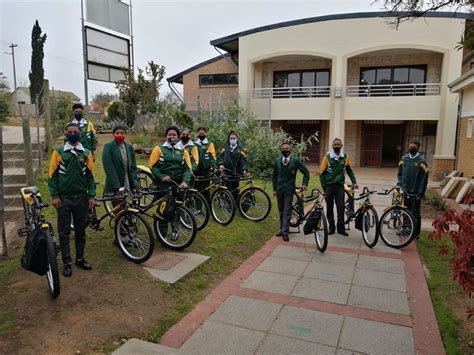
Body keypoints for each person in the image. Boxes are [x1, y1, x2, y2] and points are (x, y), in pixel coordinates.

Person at [48, 123, 96, 277]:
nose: (73, 134)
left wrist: (92, 195)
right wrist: (55, 196)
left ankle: (80, 258)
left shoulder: (86, 152)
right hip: (64, 199)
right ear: (65, 133)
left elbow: (90, 176)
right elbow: (52, 176)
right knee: (64, 231)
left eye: (75, 132)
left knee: (81, 230)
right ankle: (67, 261)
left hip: (81, 198)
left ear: (80, 133)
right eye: (70, 132)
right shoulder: (59, 152)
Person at [320, 138, 358, 236]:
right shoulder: (327, 157)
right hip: (329, 186)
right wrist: (324, 187)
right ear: (332, 146)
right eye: (335, 144)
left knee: (340, 207)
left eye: (338, 144)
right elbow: (322, 174)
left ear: (341, 145)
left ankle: (341, 228)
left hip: (340, 186)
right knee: (329, 207)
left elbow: (349, 170)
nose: (337, 146)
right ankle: (331, 227)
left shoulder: (345, 157)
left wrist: (354, 182)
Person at [272, 142, 310, 241]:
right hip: (279, 189)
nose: (285, 150)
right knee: (281, 210)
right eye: (283, 148)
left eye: (287, 148)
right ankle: (281, 229)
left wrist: (304, 184)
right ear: (281, 149)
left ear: (291, 150)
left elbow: (305, 172)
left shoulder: (295, 160)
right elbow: (274, 176)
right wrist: (274, 189)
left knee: (287, 210)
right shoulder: (276, 161)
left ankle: (285, 231)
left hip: (289, 189)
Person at [396, 141, 429, 239]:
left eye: (413, 146)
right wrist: (399, 184)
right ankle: (406, 230)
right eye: (410, 146)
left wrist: (420, 193)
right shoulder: (404, 159)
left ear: (418, 148)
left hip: (416, 193)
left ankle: (415, 233)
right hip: (406, 191)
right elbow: (400, 174)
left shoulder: (422, 162)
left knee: (415, 212)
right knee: (406, 210)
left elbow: (424, 179)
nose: (411, 148)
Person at [102, 124, 138, 199]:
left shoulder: (129, 147)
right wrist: (116, 185)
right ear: (113, 134)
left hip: (128, 179)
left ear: (125, 134)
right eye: (117, 133)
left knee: (129, 203)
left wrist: (134, 181)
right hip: (116, 180)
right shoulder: (108, 147)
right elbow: (108, 167)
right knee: (118, 204)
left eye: (122, 133)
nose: (120, 135)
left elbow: (133, 166)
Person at [218, 131, 248, 202]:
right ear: (228, 139)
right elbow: (220, 158)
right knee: (227, 189)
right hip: (226, 172)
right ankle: (228, 204)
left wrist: (244, 170)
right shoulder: (225, 148)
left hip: (236, 173)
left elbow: (243, 161)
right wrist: (221, 164)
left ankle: (235, 203)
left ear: (237, 139)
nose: (232, 140)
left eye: (234, 138)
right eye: (231, 138)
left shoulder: (240, 149)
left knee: (235, 189)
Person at [194, 127, 217, 202]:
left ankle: (208, 206)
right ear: (197, 134)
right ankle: (198, 208)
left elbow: (212, 157)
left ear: (206, 134)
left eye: (203, 133)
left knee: (206, 189)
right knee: (197, 189)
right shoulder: (194, 144)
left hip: (206, 170)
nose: (201, 135)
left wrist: (214, 167)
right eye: (200, 134)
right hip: (196, 170)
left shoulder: (210, 144)